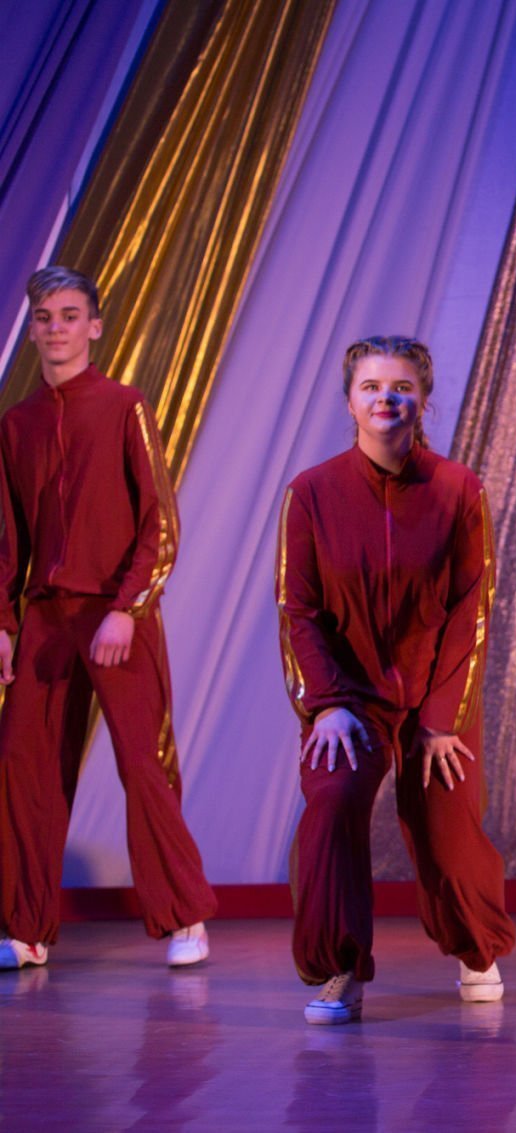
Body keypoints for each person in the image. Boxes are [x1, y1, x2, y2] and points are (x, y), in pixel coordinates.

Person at [277, 335, 515, 1024]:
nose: (387, 397)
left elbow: (472, 609)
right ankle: (340, 969)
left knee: (447, 824)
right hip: (348, 698)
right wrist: (326, 705)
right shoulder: (310, 493)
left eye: (402, 387)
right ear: (350, 401)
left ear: (423, 401)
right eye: (372, 386)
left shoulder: (458, 489)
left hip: (436, 691)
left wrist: (441, 719)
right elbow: (298, 609)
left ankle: (476, 947)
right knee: (333, 801)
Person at [0, 266, 216, 971]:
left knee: (142, 763)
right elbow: (9, 541)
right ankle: (26, 927)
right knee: (23, 766)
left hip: (117, 612)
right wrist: (3, 624)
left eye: (70, 315)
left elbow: (160, 522)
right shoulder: (17, 424)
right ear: (33, 331)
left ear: (94, 326)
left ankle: (184, 916)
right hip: (45, 617)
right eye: (44, 317)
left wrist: (127, 608)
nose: (56, 328)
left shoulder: (126, 407)